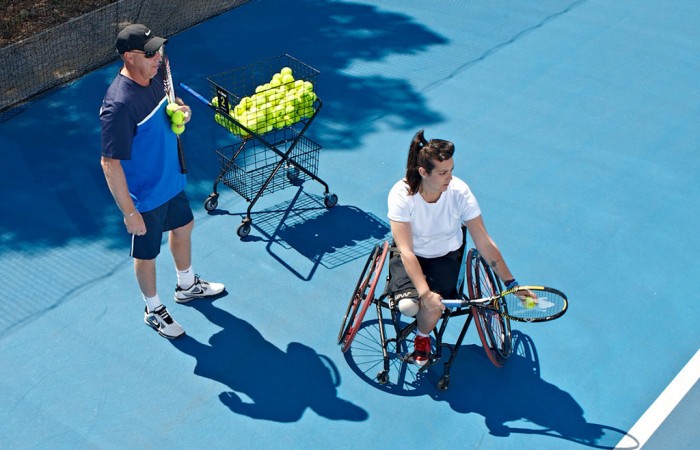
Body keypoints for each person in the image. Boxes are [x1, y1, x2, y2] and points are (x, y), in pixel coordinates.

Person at [100, 24, 225, 339]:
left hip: (171, 178)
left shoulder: (156, 74)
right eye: (150, 53)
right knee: (146, 254)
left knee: (183, 227)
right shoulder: (119, 105)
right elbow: (109, 162)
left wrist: (180, 109)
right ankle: (153, 309)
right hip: (145, 195)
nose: (158, 57)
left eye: (159, 50)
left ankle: (186, 285)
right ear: (129, 58)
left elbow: (170, 99)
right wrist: (129, 212)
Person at [387, 130, 523, 366]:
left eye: (451, 170)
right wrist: (424, 292)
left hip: (446, 257)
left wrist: (511, 283)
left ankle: (422, 337)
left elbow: (483, 241)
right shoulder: (401, 194)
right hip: (410, 256)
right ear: (423, 172)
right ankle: (415, 303)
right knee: (409, 306)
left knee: (434, 306)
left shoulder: (460, 191)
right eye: (442, 172)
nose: (449, 177)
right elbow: (406, 251)